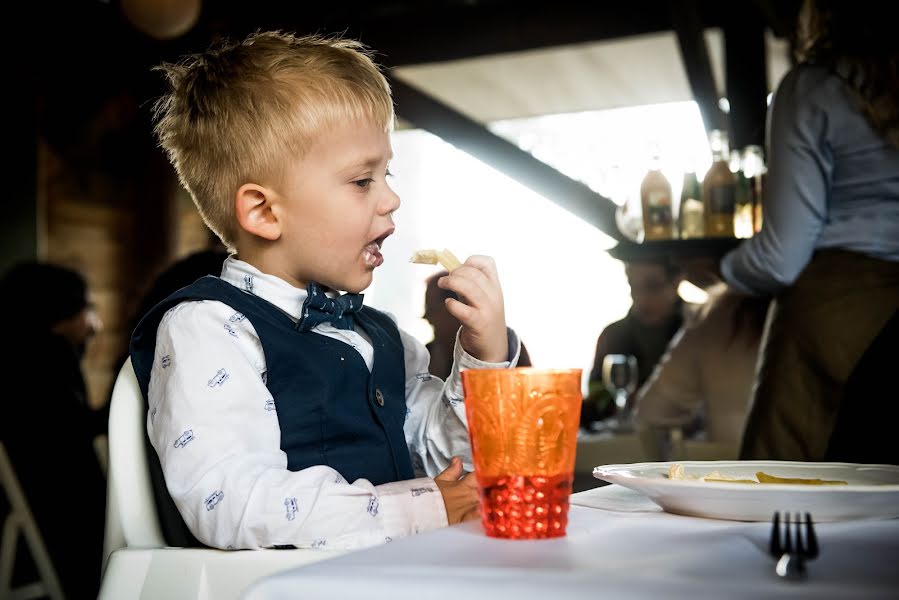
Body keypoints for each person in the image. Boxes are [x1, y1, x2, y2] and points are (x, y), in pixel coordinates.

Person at [130, 31, 522, 551]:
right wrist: (419, 509)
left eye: (388, 174)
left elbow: (452, 467)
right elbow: (232, 503)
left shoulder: (383, 336)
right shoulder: (207, 329)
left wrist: (483, 358)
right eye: (363, 181)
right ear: (264, 212)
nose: (392, 199)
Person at [719, 0, 899, 461]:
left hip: (836, 313)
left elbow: (782, 255)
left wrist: (724, 271)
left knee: (783, 496)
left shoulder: (813, 88)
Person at [0, 261, 106, 598]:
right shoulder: (49, 357)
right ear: (60, 314)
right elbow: (73, 439)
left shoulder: (14, 358)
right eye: (87, 308)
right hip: (65, 529)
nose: (96, 325)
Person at [636, 286, 770, 458]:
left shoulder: (715, 315)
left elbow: (652, 411)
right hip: (804, 473)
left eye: (653, 287)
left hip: (732, 474)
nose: (641, 299)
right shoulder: (809, 308)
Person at [582, 248, 691, 428]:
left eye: (652, 286)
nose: (641, 297)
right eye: (634, 286)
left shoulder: (698, 331)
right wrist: (616, 401)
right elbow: (596, 389)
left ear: (677, 281)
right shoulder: (613, 334)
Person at [423, 270, 531, 380]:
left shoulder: (509, 349)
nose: (426, 317)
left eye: (432, 310)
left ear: (458, 309)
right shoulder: (425, 355)